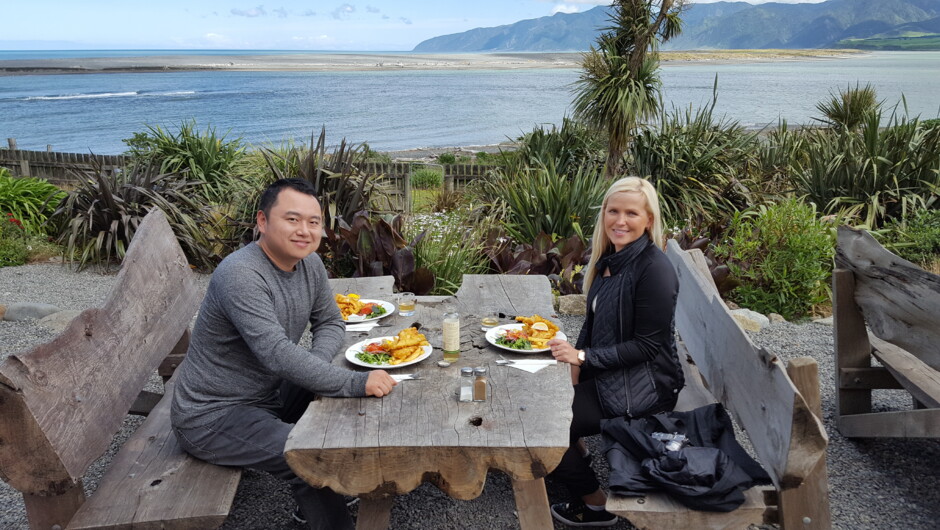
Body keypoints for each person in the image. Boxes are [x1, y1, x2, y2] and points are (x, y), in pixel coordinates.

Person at [170, 178, 397, 530]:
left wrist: (317, 372)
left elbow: (331, 324)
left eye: (313, 222)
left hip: (269, 391)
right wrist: (354, 383)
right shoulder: (240, 275)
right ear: (262, 222)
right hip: (214, 417)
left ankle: (333, 488)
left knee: (343, 392)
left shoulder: (310, 265)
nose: (305, 231)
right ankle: (327, 504)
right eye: (292, 219)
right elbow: (276, 353)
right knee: (308, 454)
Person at [546, 176, 685, 527]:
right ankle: (576, 452)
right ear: (604, 214)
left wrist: (584, 359)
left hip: (643, 389)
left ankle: (596, 504)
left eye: (631, 213)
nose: (620, 221)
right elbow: (595, 324)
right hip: (613, 374)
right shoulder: (612, 258)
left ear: (648, 220)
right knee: (541, 390)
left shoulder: (654, 269)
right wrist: (576, 357)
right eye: (613, 211)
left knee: (544, 426)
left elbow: (648, 346)